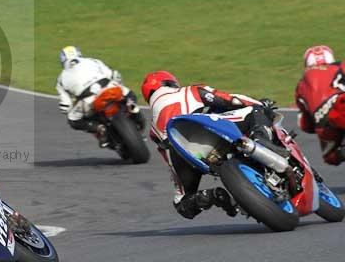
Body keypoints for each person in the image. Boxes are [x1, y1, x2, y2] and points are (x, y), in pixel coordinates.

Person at [141, 70, 280, 220]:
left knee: (182, 204)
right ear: (170, 83)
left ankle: (210, 197)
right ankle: (261, 140)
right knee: (256, 111)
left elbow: (166, 156)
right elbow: (231, 100)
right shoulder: (189, 91)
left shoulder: (152, 130)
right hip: (206, 131)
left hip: (184, 155)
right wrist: (261, 103)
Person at [56, 45, 144, 147]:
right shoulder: (92, 60)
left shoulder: (61, 79)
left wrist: (69, 107)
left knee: (73, 120)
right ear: (79, 54)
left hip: (88, 99)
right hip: (108, 87)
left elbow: (65, 105)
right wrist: (118, 84)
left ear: (62, 61)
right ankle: (132, 107)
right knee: (129, 94)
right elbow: (113, 74)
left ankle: (99, 128)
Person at [295, 45, 345, 165]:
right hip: (337, 111)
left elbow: (305, 124)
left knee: (330, 157)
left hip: (327, 123)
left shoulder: (301, 86)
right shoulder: (339, 66)